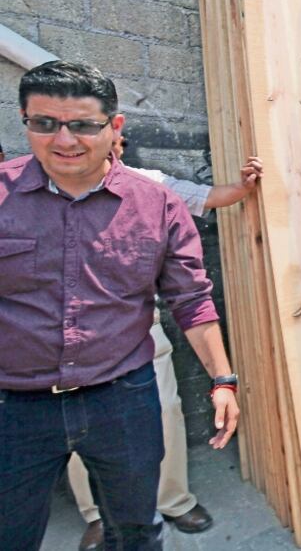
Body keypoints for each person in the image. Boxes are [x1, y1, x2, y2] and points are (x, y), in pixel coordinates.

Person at [0, 61, 239, 551]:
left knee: (135, 529)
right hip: (16, 404)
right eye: (44, 123)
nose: (64, 140)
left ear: (115, 126)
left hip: (122, 397)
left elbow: (191, 299)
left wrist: (223, 379)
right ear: (25, 120)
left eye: (83, 125)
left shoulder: (158, 204)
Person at [69, 130, 262, 550]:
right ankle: (98, 515)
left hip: (141, 328)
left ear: (118, 136)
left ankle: (173, 500)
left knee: (166, 414)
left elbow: (207, 197)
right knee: (79, 429)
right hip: (74, 338)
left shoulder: (149, 184)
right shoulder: (57, 189)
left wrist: (243, 187)